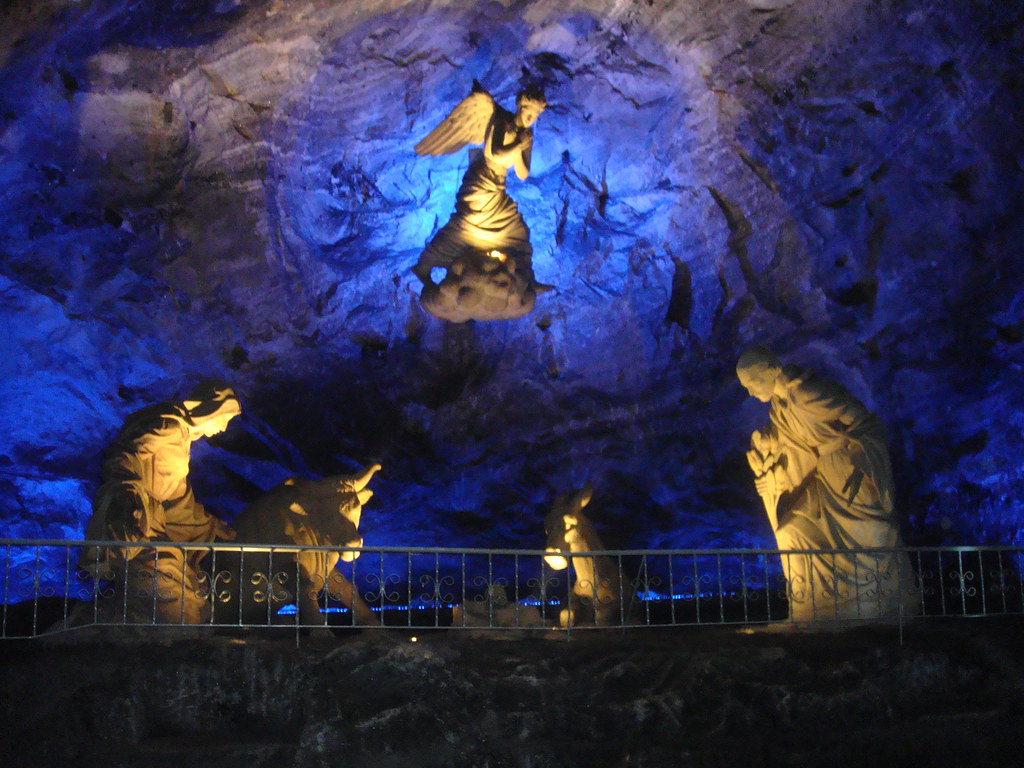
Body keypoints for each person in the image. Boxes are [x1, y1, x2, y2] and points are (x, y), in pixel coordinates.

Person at [737, 347, 918, 622]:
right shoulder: (780, 408)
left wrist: (860, 459)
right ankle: (816, 606)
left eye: (753, 382)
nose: (750, 392)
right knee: (791, 530)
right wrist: (771, 471)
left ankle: (876, 602)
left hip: (845, 467)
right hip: (821, 473)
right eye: (746, 387)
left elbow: (862, 420)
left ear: (773, 370)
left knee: (866, 533)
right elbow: (786, 446)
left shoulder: (807, 392)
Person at [80, 381, 241, 624]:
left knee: (192, 596)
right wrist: (129, 493)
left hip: (156, 524)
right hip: (141, 520)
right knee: (175, 603)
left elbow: (177, 496)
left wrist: (208, 524)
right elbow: (125, 456)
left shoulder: (182, 438)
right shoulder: (168, 425)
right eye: (224, 418)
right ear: (210, 408)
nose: (223, 427)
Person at [413, 81, 551, 321]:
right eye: (529, 113)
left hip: (498, 183)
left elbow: (522, 173)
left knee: (518, 231)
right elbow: (493, 153)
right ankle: (425, 265)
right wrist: (517, 144)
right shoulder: (501, 120)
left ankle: (527, 276)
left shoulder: (525, 135)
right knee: (467, 224)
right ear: (520, 107)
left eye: (534, 117)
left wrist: (523, 146)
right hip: (483, 180)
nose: (530, 120)